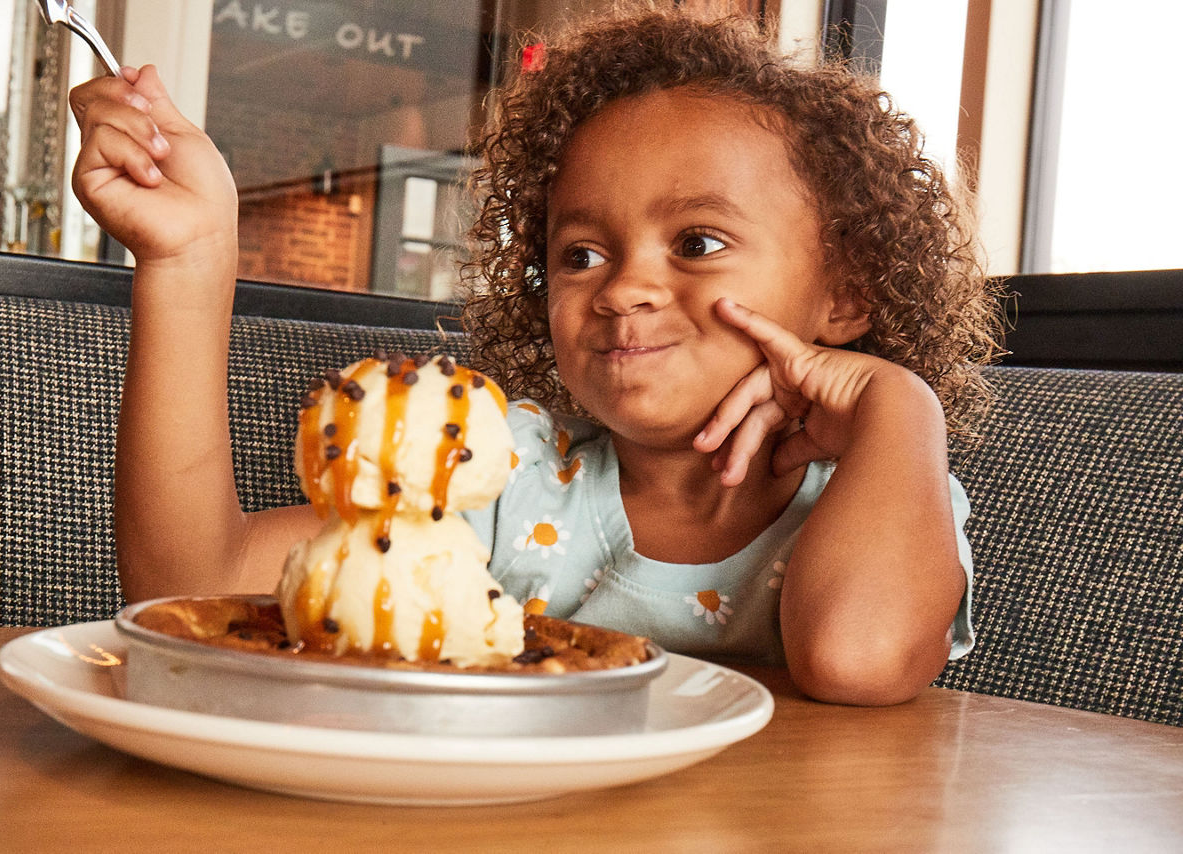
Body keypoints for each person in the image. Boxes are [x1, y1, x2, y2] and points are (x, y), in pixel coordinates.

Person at [68, 6, 1003, 705]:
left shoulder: (883, 490)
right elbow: (192, 587)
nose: (624, 287)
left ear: (845, 293)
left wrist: (900, 409)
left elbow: (857, 660)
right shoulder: (507, 475)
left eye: (698, 242)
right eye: (581, 254)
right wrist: (190, 260)